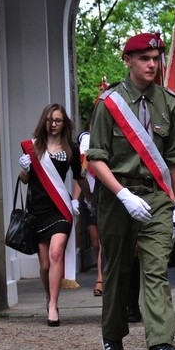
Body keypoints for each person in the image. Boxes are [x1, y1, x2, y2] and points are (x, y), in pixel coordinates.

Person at [87, 32, 175, 350]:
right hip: (118, 196)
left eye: (156, 58)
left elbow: (174, 157)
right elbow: (95, 158)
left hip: (157, 195)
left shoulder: (168, 101)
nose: (152, 64)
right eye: (144, 58)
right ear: (128, 60)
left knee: (156, 267)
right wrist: (122, 194)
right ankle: (113, 335)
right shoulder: (110, 103)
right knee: (117, 270)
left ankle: (160, 345)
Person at [18, 103, 92, 326]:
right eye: (50, 120)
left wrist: (87, 200)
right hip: (38, 210)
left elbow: (80, 177)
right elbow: (24, 180)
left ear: (64, 123)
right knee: (44, 265)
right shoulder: (32, 148)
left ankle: (53, 305)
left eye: (58, 120)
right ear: (44, 121)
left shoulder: (71, 149)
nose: (53, 124)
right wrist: (24, 169)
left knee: (56, 253)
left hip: (60, 209)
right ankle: (49, 296)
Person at [73, 124, 103, 297]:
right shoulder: (84, 140)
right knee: (95, 241)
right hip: (88, 198)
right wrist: (75, 199)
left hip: (102, 196)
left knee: (103, 240)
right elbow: (80, 176)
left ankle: (100, 277)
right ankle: (101, 271)